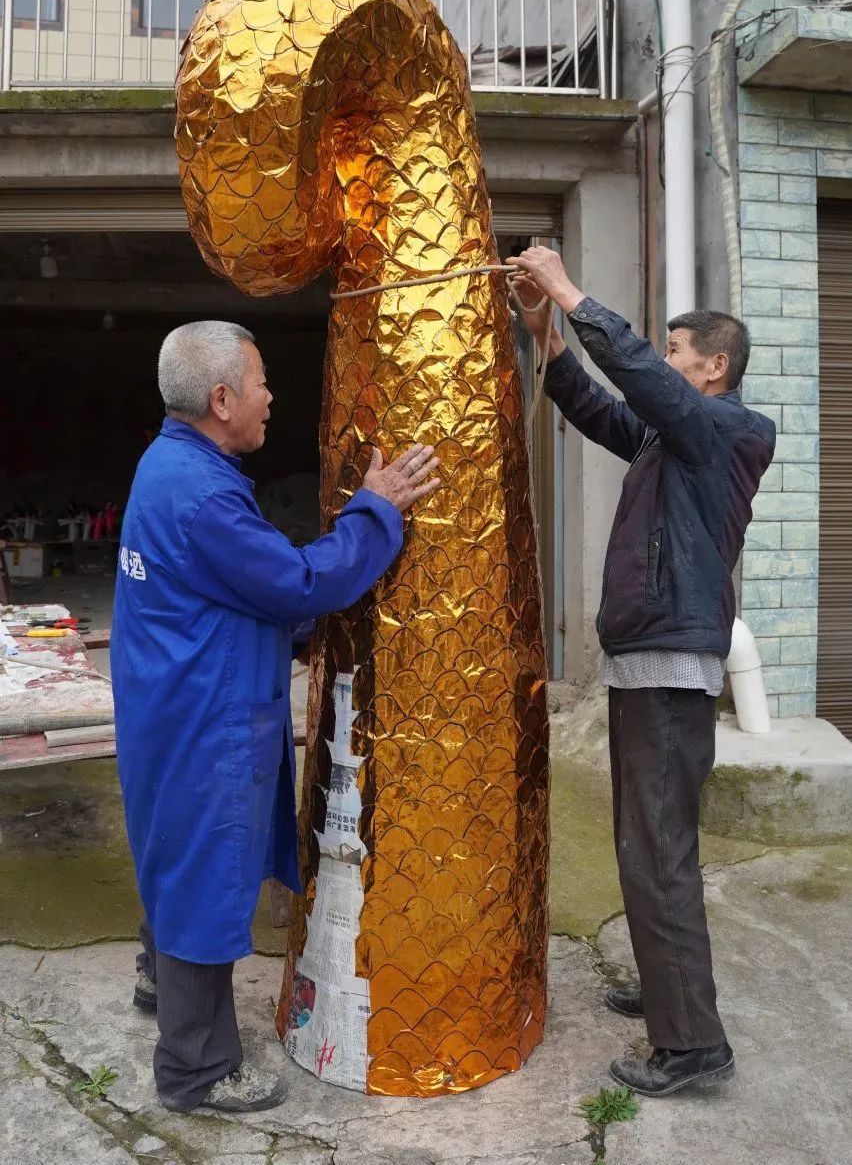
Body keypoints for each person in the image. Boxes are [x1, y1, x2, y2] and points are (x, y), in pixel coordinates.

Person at [111, 321, 438, 1116]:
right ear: (222, 399)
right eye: (260, 381)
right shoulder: (201, 494)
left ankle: (162, 983)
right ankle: (195, 1069)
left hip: (172, 701)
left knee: (176, 854)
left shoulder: (171, 463)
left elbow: (234, 587)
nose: (271, 395)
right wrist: (375, 511)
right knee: (203, 875)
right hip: (203, 718)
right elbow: (297, 583)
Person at [509, 248, 775, 1099]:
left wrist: (567, 290)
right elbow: (599, 407)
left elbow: (639, 379)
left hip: (668, 668)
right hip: (645, 664)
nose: (664, 359)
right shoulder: (674, 438)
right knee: (646, 846)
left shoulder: (725, 430)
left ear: (714, 366)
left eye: (676, 350)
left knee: (659, 853)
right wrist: (548, 336)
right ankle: (670, 992)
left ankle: (692, 1044)